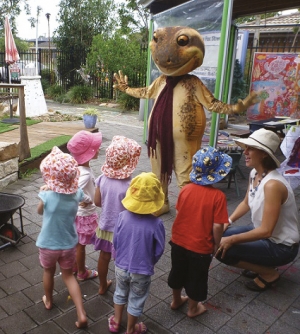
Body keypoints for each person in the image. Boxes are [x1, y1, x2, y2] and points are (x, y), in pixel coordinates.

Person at [216, 128, 300, 292]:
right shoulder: (255, 173)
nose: (245, 152)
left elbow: (266, 231)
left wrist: (232, 240)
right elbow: (246, 202)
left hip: (282, 245)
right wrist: (228, 221)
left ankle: (269, 273)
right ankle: (261, 264)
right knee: (219, 235)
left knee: (221, 249)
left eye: (251, 148)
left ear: (264, 154)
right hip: (263, 233)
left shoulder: (273, 185)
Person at [168, 147, 232, 317]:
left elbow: (179, 213)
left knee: (177, 271)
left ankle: (175, 300)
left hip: (178, 241)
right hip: (200, 247)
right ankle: (193, 308)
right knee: (197, 278)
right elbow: (218, 226)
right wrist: (216, 244)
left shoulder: (185, 189)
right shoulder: (218, 196)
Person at [36, 146, 87, 329]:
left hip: (48, 244)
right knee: (68, 276)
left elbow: (39, 211)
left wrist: (45, 193)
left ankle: (48, 301)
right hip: (69, 244)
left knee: (48, 271)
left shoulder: (47, 194)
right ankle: (81, 313)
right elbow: (86, 199)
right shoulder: (76, 194)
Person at [108, 172, 165, 334]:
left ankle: (116, 322)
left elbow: (116, 241)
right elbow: (159, 249)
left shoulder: (122, 216)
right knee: (136, 299)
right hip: (142, 270)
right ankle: (131, 328)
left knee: (120, 292)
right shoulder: (157, 224)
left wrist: (117, 257)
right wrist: (150, 261)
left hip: (121, 265)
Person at [92, 135, 141, 295]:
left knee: (104, 256)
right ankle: (123, 291)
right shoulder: (130, 184)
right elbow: (133, 208)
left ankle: (101, 285)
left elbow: (97, 202)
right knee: (123, 262)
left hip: (106, 225)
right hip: (124, 230)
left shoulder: (101, 179)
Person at [67, 130, 102, 281]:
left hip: (78, 213)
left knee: (77, 243)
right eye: (95, 147)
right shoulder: (86, 173)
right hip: (84, 214)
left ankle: (75, 266)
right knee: (81, 245)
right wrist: (87, 198)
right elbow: (74, 190)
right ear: (88, 153)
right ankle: (82, 272)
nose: (98, 148)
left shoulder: (79, 168)